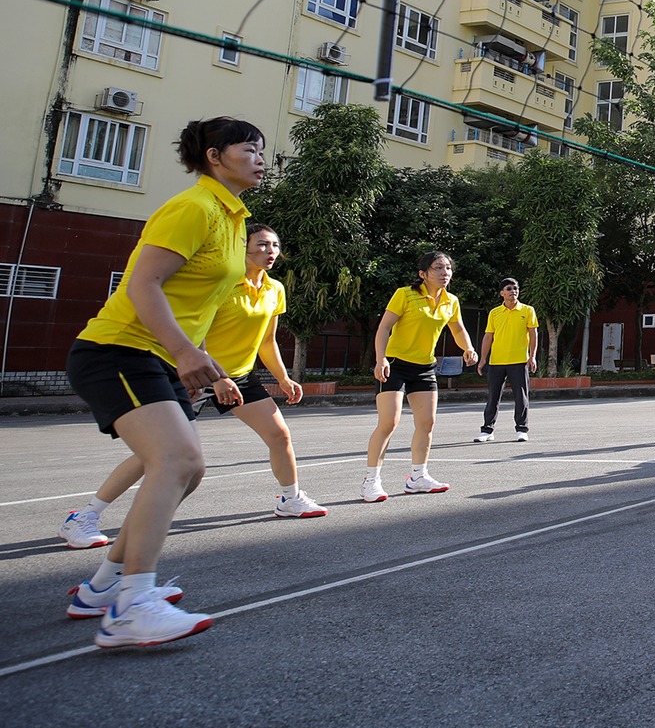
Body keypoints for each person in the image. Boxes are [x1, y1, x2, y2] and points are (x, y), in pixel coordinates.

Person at [63, 118, 269, 647]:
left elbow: (195, 304)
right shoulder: (193, 208)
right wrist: (183, 352)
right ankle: (133, 604)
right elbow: (143, 283)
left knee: (188, 469)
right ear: (215, 156)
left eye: (262, 150)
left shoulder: (231, 218)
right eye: (250, 149)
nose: (261, 158)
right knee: (175, 460)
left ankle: (103, 589)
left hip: (157, 357)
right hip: (120, 349)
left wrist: (198, 362)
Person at [60, 217, 320, 560]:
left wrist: (283, 378)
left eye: (274, 245)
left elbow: (267, 342)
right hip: (197, 373)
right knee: (153, 456)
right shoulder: (223, 284)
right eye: (261, 244)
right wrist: (214, 377)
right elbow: (195, 333)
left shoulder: (275, 289)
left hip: (239, 375)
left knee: (280, 436)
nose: (270, 251)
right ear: (242, 249)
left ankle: (290, 498)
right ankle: (83, 517)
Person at [364, 251, 477, 502]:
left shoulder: (451, 301)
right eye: (438, 268)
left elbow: (458, 328)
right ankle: (371, 481)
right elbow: (384, 328)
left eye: (447, 268)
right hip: (395, 364)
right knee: (388, 423)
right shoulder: (405, 294)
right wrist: (380, 358)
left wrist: (468, 348)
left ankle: (417, 477)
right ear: (422, 274)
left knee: (426, 423)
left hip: (425, 367)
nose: (444, 273)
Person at [473, 278, 538, 443]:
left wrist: (532, 356)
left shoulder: (527, 310)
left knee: (521, 397)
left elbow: (533, 334)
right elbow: (488, 336)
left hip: (519, 361)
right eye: (509, 288)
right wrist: (482, 359)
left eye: (515, 288)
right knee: (493, 396)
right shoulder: (494, 313)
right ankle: (487, 430)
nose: (513, 291)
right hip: (497, 362)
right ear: (502, 293)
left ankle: (521, 429)